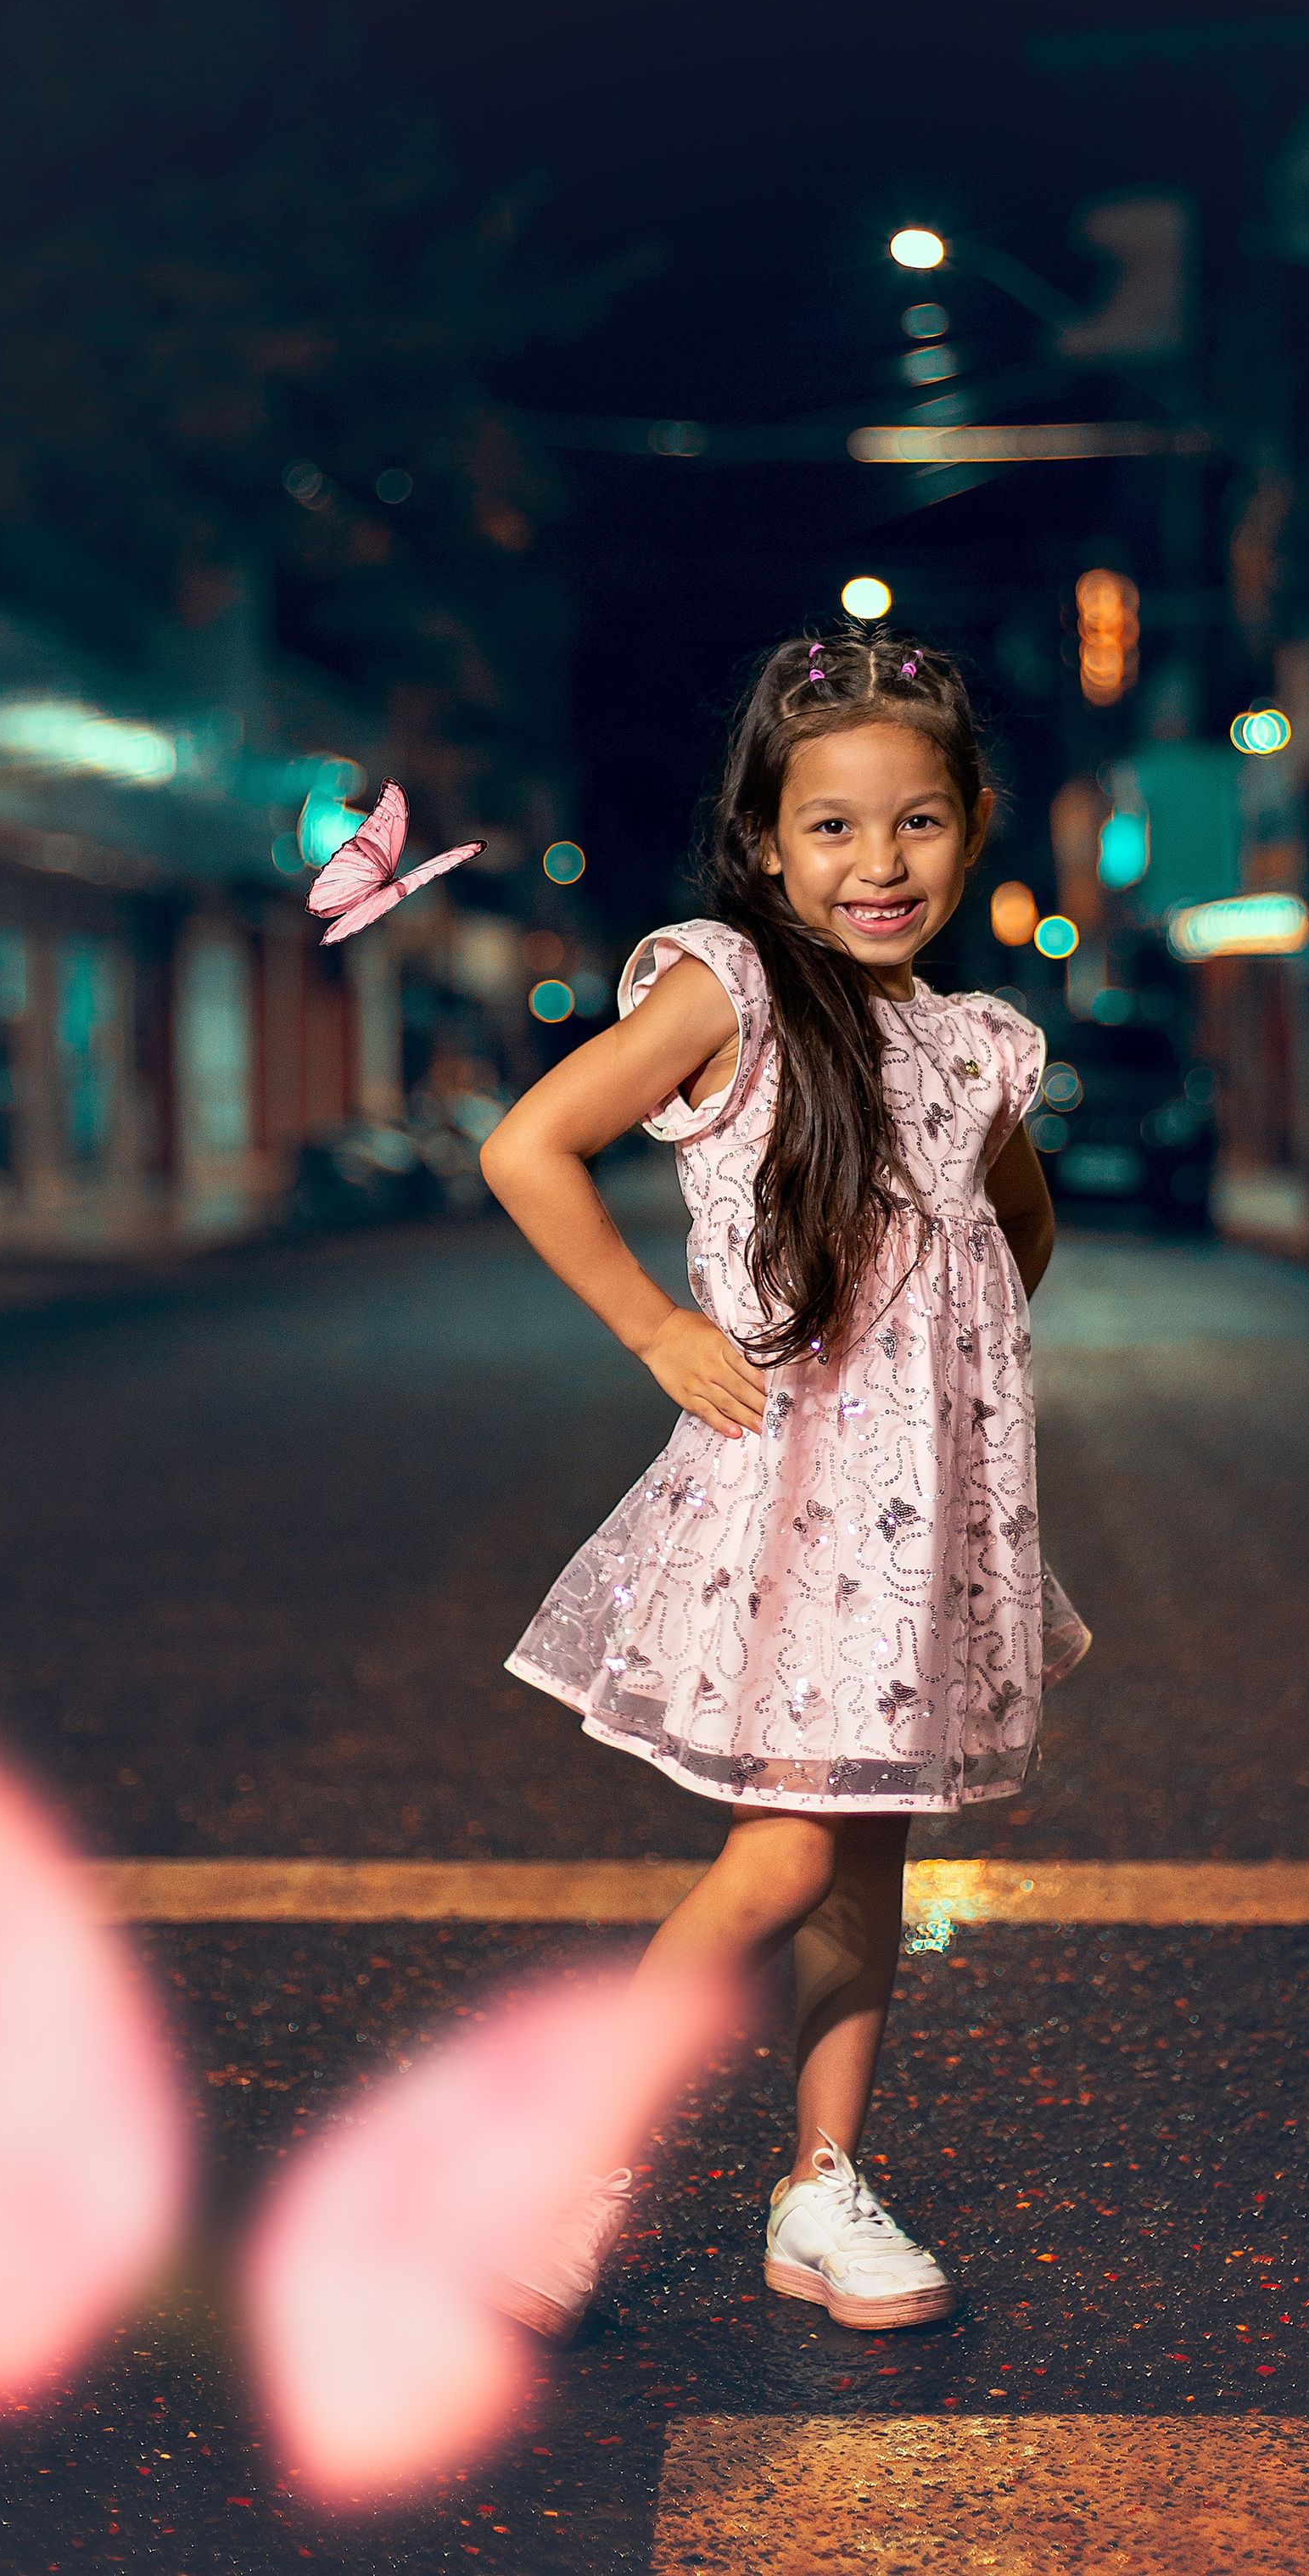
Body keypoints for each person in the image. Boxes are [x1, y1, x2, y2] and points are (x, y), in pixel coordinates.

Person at [479, 628, 1090, 2337]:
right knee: (774, 1863)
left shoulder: (974, 1043)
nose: (874, 862)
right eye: (829, 827)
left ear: (970, 828)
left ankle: (820, 2186)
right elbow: (526, 1144)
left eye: (914, 823)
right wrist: (655, 1329)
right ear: (763, 841)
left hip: (917, 1535)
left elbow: (1010, 1224)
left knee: (864, 1861)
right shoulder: (725, 991)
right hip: (783, 1510)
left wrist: (942, 1383)